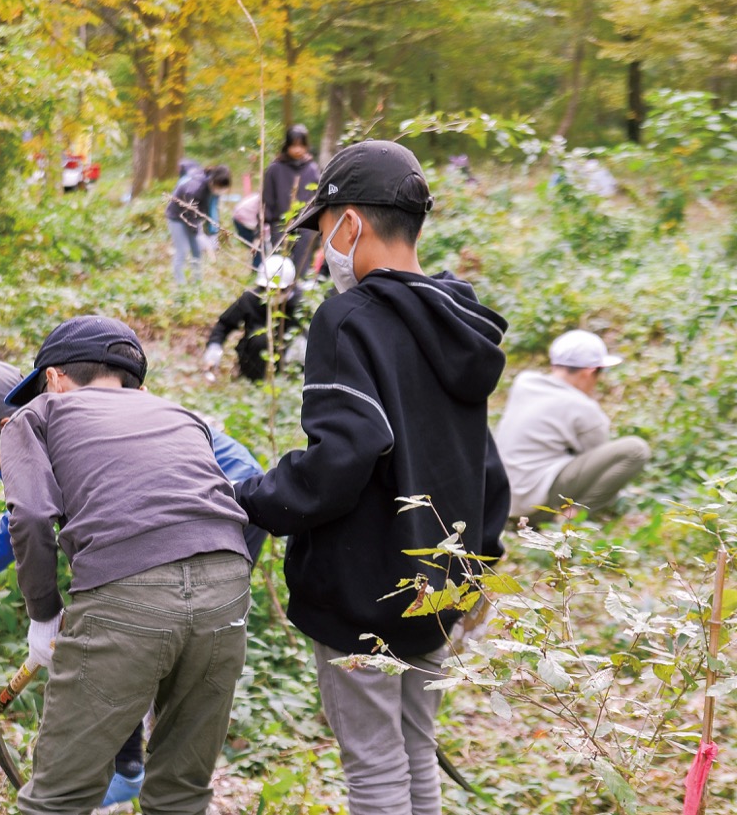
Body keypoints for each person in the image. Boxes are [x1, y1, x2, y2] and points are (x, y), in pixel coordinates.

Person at [233, 140, 510, 815]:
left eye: (323, 230)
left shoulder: (348, 319)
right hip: (441, 582)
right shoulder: (459, 317)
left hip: (365, 587)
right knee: (416, 745)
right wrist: (480, 564)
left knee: (375, 765)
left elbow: (344, 454)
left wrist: (255, 496)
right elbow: (485, 461)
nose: (322, 248)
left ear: (350, 223)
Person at [0, 359, 267, 809]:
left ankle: (126, 767)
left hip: (215, 530)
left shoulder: (39, 426)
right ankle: (131, 769)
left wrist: (44, 616)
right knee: (178, 780)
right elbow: (21, 517)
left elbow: (32, 515)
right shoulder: (64, 421)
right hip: (218, 574)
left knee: (134, 657)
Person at [0, 316, 252, 814]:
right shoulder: (181, 414)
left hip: (128, 593)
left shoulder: (38, 414)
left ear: (52, 378)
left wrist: (43, 614)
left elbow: (29, 515)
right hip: (227, 587)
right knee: (182, 791)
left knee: (58, 797)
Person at [494, 329, 650, 521]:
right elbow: (597, 463)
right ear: (589, 372)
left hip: (500, 503)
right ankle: (573, 516)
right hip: (534, 507)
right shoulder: (584, 408)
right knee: (636, 449)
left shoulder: (524, 383)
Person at [203, 255, 304, 382]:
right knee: (261, 339)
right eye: (267, 289)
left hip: (290, 360)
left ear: (291, 286)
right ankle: (255, 383)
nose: (271, 293)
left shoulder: (301, 304)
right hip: (254, 357)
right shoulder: (250, 299)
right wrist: (214, 348)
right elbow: (224, 324)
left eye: (277, 290)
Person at [262, 124, 320, 274]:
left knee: (302, 265)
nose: (298, 149)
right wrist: (265, 221)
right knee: (280, 266)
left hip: (305, 225)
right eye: (294, 145)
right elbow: (267, 197)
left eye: (301, 145)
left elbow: (317, 197)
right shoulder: (275, 168)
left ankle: (298, 293)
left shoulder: (312, 168)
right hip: (280, 225)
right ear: (287, 146)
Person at [166, 165, 231, 284]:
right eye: (219, 187)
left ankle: (197, 282)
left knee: (196, 251)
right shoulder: (195, 188)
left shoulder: (213, 190)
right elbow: (190, 215)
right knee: (182, 250)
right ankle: (180, 285)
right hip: (177, 217)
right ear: (213, 181)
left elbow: (211, 211)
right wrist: (199, 234)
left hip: (193, 218)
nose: (221, 191)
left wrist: (212, 233)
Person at [231, 191, 265, 270]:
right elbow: (262, 225)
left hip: (242, 216)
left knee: (259, 246)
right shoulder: (265, 201)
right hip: (243, 219)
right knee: (258, 247)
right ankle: (256, 271)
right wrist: (257, 239)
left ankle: (257, 269)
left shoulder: (264, 196)